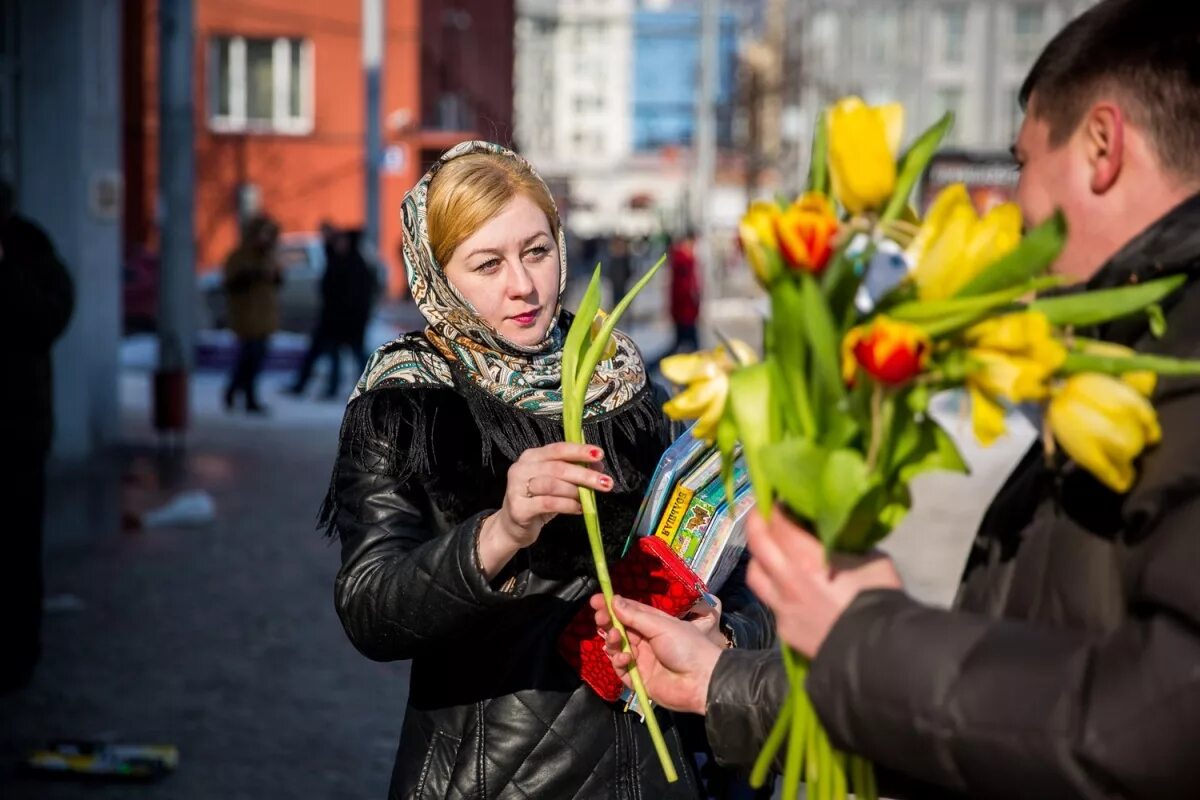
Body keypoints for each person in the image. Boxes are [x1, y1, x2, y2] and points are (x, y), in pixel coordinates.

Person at [594, 2, 1200, 797]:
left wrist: (870, 635)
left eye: (1021, 163)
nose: (1014, 209)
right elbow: (1037, 686)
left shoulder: (1172, 355)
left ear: (1101, 145)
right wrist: (725, 682)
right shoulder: (1138, 345)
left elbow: (1155, 720)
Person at [320, 141, 772, 799]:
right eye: (487, 263)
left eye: (536, 250)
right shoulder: (409, 402)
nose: (524, 285)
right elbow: (370, 609)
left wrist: (718, 630)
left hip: (658, 771)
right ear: (438, 275)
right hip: (498, 778)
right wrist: (500, 532)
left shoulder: (618, 377)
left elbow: (740, 570)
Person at [0, 180, 74, 693]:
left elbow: (46, 319)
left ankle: (19, 653)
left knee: (18, 546)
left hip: (17, 429)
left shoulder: (31, 252)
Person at [288, 226, 377, 398]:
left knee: (354, 352)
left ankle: (370, 385)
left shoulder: (354, 264)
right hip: (336, 319)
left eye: (342, 241)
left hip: (349, 320)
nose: (339, 245)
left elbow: (354, 296)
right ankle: (334, 387)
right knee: (337, 353)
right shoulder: (338, 260)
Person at [223, 214, 281, 413]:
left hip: (264, 316)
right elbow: (232, 283)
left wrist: (275, 275)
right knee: (250, 357)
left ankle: (236, 390)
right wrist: (255, 275)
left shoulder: (268, 256)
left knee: (255, 358)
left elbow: (277, 281)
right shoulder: (240, 256)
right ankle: (246, 396)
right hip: (246, 316)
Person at [658, 230, 701, 363]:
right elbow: (684, 287)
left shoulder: (682, 258)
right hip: (685, 311)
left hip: (685, 310)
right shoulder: (684, 260)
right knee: (690, 344)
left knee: (681, 344)